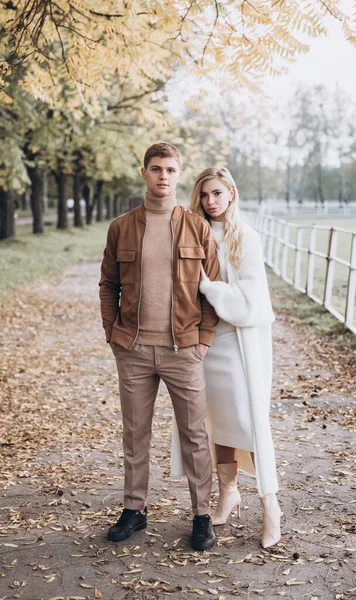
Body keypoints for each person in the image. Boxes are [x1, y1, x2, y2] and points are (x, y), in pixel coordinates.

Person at [99, 143, 221, 551]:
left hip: (183, 349)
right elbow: (109, 286)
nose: (163, 176)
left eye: (170, 169)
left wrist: (202, 342)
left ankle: (202, 515)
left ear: (179, 173)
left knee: (195, 435)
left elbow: (214, 291)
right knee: (135, 434)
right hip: (133, 349)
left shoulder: (196, 227)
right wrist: (111, 336)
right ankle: (135, 509)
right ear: (143, 172)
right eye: (156, 169)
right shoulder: (121, 227)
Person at [189, 165, 281, 548]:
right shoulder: (193, 232)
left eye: (218, 194)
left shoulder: (246, 237)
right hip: (206, 341)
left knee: (249, 420)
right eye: (205, 195)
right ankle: (228, 493)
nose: (211, 202)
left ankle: (271, 506)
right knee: (217, 420)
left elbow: (252, 299)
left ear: (231, 194)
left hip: (240, 339)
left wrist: (209, 289)